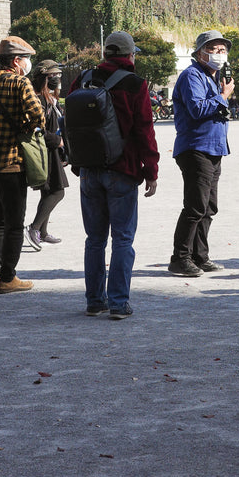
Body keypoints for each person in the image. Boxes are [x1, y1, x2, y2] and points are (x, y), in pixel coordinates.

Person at [77, 31, 159, 320]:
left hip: (88, 170)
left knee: (94, 239)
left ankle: (94, 300)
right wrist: (151, 170)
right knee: (122, 238)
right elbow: (144, 130)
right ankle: (119, 303)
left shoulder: (84, 79)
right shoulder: (135, 85)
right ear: (129, 56)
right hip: (122, 170)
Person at [0, 35, 45, 294]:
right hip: (10, 162)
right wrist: (26, 127)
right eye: (26, 59)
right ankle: (8, 278)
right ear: (16, 61)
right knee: (15, 222)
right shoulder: (19, 82)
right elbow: (38, 114)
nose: (28, 64)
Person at [169, 30, 233, 277]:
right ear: (199, 53)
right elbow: (196, 109)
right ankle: (180, 258)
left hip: (214, 148)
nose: (220, 55)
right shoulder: (191, 76)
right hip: (195, 147)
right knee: (195, 206)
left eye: (223, 50)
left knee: (209, 207)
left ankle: (199, 255)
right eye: (214, 50)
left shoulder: (215, 78)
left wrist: (221, 94)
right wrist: (223, 96)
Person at [25, 60, 68, 250]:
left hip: (52, 151)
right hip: (44, 152)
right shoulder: (38, 100)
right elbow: (35, 129)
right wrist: (56, 141)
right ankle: (33, 228)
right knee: (58, 192)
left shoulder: (49, 98)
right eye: (53, 76)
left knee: (48, 191)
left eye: (58, 75)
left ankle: (42, 232)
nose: (57, 79)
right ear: (43, 78)